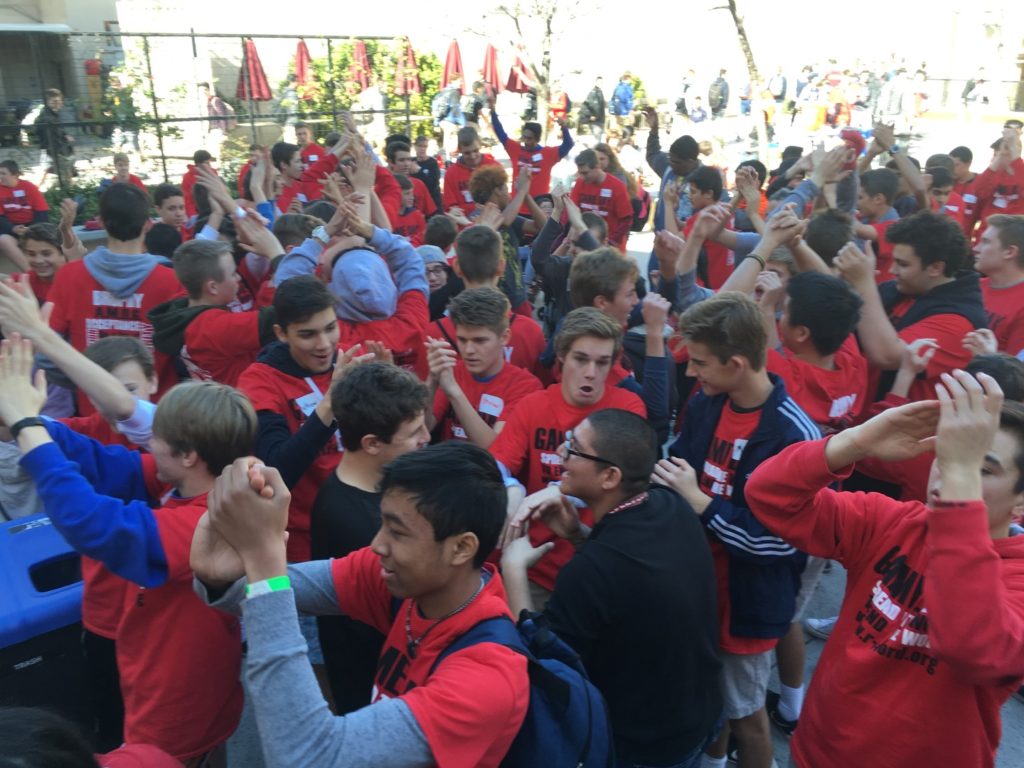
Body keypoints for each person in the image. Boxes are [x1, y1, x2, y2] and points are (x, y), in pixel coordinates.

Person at [746, 370, 1024, 768]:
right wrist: (856, 442)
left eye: (983, 468)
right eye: (948, 453)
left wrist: (960, 478)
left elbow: (971, 644)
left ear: (1021, 504)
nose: (948, 470)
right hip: (817, 749)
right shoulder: (892, 521)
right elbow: (768, 495)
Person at [191, 442, 530, 768]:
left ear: (461, 549)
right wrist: (221, 576)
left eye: (397, 532)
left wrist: (263, 559)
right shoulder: (401, 581)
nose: (376, 544)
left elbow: (304, 756)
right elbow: (263, 593)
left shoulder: (488, 677)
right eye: (382, 521)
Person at [0, 336, 253, 763]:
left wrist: (28, 427)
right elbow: (105, 464)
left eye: (157, 438)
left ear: (189, 455)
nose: (148, 443)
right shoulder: (205, 480)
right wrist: (22, 421)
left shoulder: (206, 523)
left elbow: (93, 524)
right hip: (175, 689)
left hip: (178, 714)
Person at [501, 408, 722, 768]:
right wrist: (575, 534)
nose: (562, 454)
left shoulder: (590, 572)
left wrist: (512, 568)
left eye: (574, 448)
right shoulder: (669, 504)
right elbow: (627, 580)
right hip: (698, 713)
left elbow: (544, 675)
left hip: (644, 746)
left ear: (609, 476)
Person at [660, 291, 817, 768]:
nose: (691, 373)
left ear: (737, 362)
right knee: (714, 697)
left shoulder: (795, 437)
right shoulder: (710, 401)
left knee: (748, 716)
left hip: (747, 602)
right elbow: (680, 462)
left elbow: (779, 542)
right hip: (702, 587)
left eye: (701, 363)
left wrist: (700, 502)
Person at [489, 307, 646, 604]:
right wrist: (511, 488)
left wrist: (555, 492)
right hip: (535, 565)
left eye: (602, 363)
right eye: (581, 359)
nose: (591, 372)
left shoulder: (628, 408)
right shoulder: (534, 404)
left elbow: (618, 484)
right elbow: (495, 465)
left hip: (597, 564)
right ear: (561, 356)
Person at [310, 362, 430, 714]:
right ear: (372, 444)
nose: (426, 438)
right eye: (413, 432)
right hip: (372, 692)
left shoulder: (380, 486)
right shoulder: (355, 523)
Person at [44, 183, 183, 411]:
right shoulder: (173, 282)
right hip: (158, 420)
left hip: (94, 417)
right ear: (148, 224)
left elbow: (47, 355)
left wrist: (86, 384)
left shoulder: (68, 277)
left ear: (100, 222)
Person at [836, 210, 987, 403]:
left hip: (906, 428)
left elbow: (886, 357)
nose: (892, 270)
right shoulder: (900, 289)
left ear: (935, 268)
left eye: (903, 264)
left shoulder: (959, 322)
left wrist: (864, 283)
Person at [149, 235, 279, 386]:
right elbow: (281, 316)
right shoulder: (213, 327)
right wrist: (276, 255)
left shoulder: (184, 309)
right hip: (238, 403)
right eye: (233, 273)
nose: (238, 278)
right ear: (212, 287)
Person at [425, 286, 542, 448]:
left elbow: (496, 450)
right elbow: (424, 428)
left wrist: (454, 393)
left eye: (479, 341)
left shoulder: (526, 386)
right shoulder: (454, 372)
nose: (468, 350)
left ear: (504, 337)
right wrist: (431, 381)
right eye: (462, 340)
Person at [489, 110, 574, 201]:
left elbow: (568, 144)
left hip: (538, 208)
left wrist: (564, 127)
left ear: (537, 139)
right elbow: (500, 133)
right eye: (524, 137)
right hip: (516, 207)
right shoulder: (516, 150)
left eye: (529, 138)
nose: (526, 141)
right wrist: (492, 110)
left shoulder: (547, 154)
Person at [975, 214, 1024, 355]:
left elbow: (1016, 371)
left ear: (1009, 252)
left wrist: (989, 357)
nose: (976, 248)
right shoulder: (973, 287)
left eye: (985, 242)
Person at [570, 148, 633, 252]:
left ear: (597, 167)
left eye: (585, 173)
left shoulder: (617, 186)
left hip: (610, 249)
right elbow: (572, 211)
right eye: (580, 173)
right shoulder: (580, 183)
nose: (582, 177)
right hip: (584, 247)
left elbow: (626, 220)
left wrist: (611, 243)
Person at [0, 160, 49, 273]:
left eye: (3, 173)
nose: (0, 176)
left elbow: (42, 212)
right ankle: (32, 274)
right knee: (3, 240)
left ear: (15, 174)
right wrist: (13, 229)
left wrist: (31, 229)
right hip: (9, 228)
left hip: (33, 225)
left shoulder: (29, 187)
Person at [441, 126, 501, 217]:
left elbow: (503, 199)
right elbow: (450, 208)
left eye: (475, 151)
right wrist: (473, 208)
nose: (472, 156)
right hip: (465, 225)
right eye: (467, 153)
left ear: (480, 145)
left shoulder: (494, 166)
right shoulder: (451, 173)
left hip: (492, 220)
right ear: (460, 150)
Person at [34, 88, 75, 187]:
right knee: (66, 171)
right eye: (55, 101)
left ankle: (35, 189)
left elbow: (58, 131)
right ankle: (68, 189)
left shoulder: (51, 114)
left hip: (50, 148)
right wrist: (64, 139)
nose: (59, 103)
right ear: (47, 102)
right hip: (54, 149)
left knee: (45, 171)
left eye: (60, 100)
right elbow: (53, 134)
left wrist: (65, 135)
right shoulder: (48, 116)